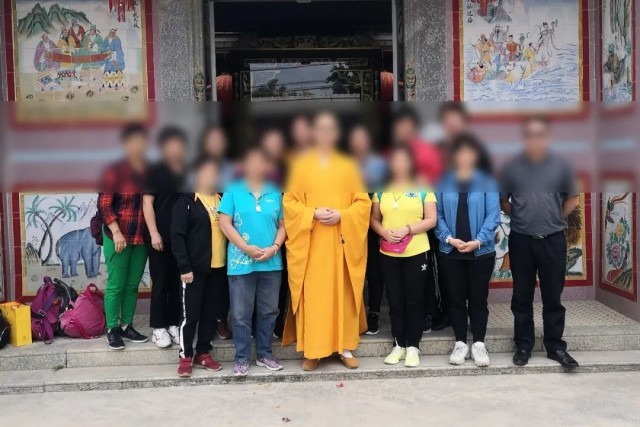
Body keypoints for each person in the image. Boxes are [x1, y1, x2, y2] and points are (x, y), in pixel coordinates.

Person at [283, 111, 371, 371]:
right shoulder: (300, 166)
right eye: (320, 129)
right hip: (312, 246)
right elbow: (289, 203)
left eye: (329, 129)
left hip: (341, 245)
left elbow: (363, 204)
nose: (325, 134)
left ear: (336, 134)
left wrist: (342, 215)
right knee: (315, 299)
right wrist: (313, 213)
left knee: (342, 296)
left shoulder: (349, 167)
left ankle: (345, 348)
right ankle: (313, 350)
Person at [500, 115, 580, 370]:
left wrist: (556, 220)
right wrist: (520, 217)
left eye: (540, 134)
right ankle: (523, 345)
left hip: (553, 240)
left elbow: (573, 198)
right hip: (521, 241)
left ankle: (555, 346)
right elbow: (503, 200)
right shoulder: (512, 167)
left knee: (553, 296)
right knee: (521, 296)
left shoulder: (562, 166)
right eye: (529, 134)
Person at [219, 147, 287, 377]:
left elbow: (284, 225)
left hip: (271, 262)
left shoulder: (275, 191)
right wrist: (245, 247)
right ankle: (241, 358)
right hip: (240, 263)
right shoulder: (233, 189)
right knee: (240, 314)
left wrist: (274, 247)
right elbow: (225, 223)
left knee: (269, 311)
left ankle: (265, 354)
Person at [435, 134, 500, 367]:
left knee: (478, 300)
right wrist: (449, 239)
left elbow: (493, 215)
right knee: (456, 299)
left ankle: (479, 344)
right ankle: (460, 343)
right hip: (451, 252)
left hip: (480, 252)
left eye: (468, 152)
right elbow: (437, 214)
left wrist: (478, 241)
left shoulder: (488, 182)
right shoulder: (443, 182)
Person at [370, 146, 437, 367]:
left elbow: (431, 219)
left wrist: (408, 229)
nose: (399, 164)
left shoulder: (423, 187)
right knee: (395, 300)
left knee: (414, 300)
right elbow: (374, 218)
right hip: (389, 252)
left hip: (416, 251)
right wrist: (383, 232)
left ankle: (413, 346)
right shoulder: (382, 189)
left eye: (403, 160)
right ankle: (398, 344)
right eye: (395, 160)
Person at [171, 157, 226, 377]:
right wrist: (184, 267)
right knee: (190, 314)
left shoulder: (222, 199)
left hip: (218, 267)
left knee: (210, 313)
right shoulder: (186, 201)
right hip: (194, 270)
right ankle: (185, 355)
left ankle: (203, 352)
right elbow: (177, 236)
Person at [97, 124, 150, 350]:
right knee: (116, 285)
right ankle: (112, 329)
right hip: (117, 235)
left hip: (140, 237)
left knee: (132, 284)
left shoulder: (148, 171)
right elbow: (104, 204)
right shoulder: (114, 171)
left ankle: (127, 325)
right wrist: (117, 232)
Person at [142, 127, 187, 348]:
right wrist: (153, 232)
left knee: (177, 282)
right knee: (160, 282)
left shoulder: (187, 172)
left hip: (180, 239)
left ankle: (172, 324)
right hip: (159, 237)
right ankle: (158, 328)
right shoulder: (155, 172)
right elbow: (147, 203)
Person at [348, 125, 387, 335]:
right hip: (350, 223)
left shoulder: (379, 165)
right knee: (351, 268)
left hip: (374, 221)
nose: (359, 143)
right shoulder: (344, 164)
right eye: (355, 139)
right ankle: (353, 311)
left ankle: (373, 312)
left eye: (362, 138)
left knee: (374, 269)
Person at [259, 128, 289, 339]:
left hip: (286, 230)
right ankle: (256, 323)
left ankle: (278, 323)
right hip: (257, 231)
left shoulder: (289, 170)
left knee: (281, 279)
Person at [199, 125, 236, 190]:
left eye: (219, 140)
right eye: (212, 140)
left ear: (225, 144)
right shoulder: (194, 171)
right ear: (204, 143)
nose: (216, 143)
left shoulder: (233, 169)